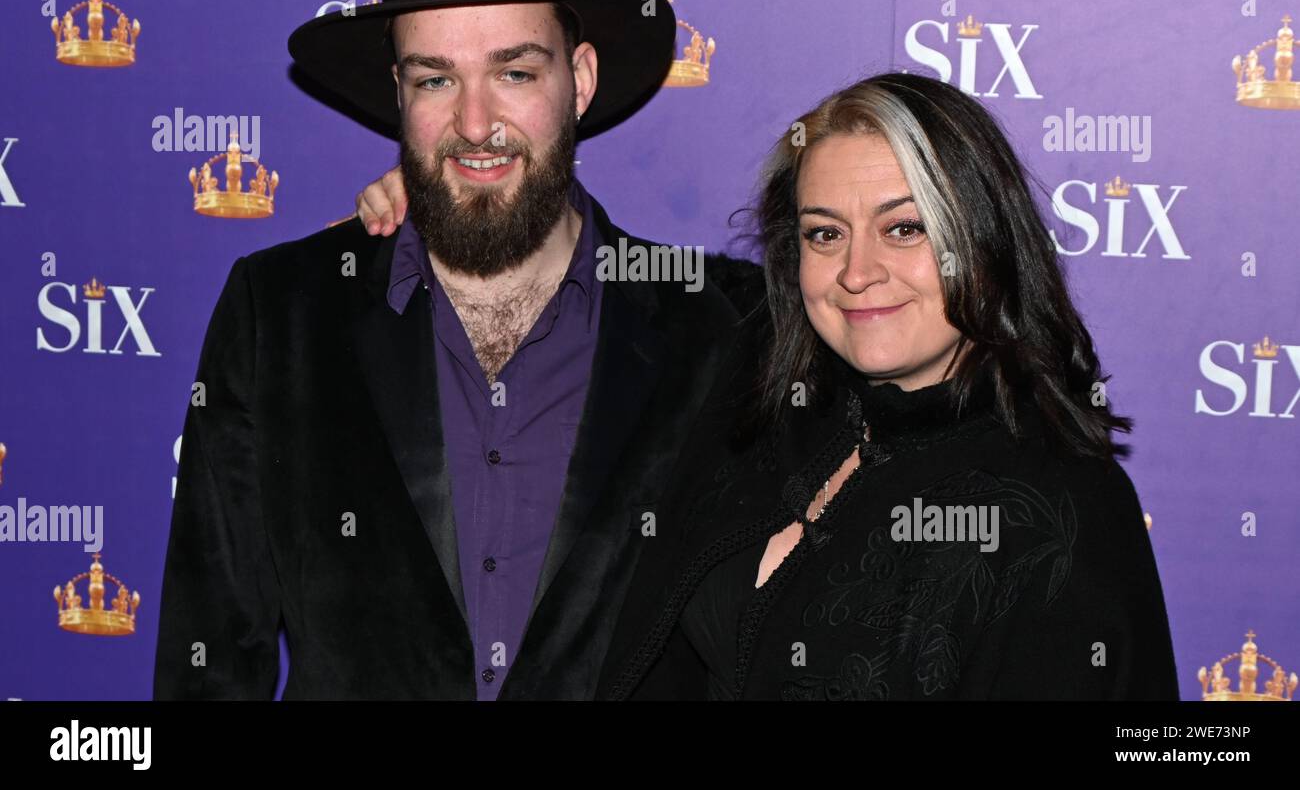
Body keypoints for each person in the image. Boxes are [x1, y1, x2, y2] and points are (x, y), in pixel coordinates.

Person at [356, 72, 1182, 701]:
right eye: (826, 233)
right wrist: (460, 202)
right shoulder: (778, 399)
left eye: (905, 229)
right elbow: (618, 281)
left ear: (987, 237)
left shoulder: (1061, 510)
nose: (859, 272)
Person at [153, 0, 750, 700]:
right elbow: (211, 661)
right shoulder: (282, 315)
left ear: (577, 80)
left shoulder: (715, 326)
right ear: (399, 93)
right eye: (436, 80)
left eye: (513, 71)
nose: (475, 122)